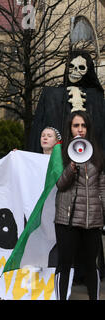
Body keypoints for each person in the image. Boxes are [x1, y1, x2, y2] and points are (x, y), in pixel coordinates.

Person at [54, 110, 105, 300]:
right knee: (64, 264)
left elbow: (102, 187)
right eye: (76, 125)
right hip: (66, 219)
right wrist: (71, 166)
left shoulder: (97, 154)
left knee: (91, 265)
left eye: (83, 126)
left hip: (92, 219)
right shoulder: (60, 152)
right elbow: (60, 184)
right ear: (70, 128)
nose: (80, 130)